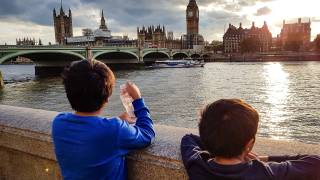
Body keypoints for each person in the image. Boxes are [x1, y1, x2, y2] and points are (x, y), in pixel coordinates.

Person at [52, 59, 155, 180]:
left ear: (68, 92)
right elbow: (148, 134)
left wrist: (116, 121)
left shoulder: (58, 123)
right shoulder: (115, 130)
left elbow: (89, 131)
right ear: (106, 98)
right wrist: (138, 99)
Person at [181, 99, 320, 180]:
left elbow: (188, 139)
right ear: (250, 144)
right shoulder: (266, 173)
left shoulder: (196, 164)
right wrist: (264, 158)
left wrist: (216, 145)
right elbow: (316, 162)